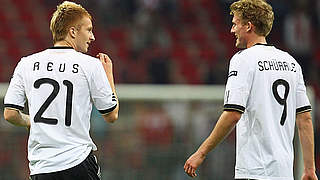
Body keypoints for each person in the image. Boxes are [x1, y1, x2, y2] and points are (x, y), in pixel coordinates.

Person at [184, 0, 317, 179]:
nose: (232, 30)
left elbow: (233, 114)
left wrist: (201, 153)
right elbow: (305, 118)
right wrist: (309, 169)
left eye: (235, 24)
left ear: (248, 26)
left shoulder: (243, 60)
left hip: (254, 171)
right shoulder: (291, 63)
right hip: (284, 173)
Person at [3, 1, 119, 180]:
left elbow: (10, 114)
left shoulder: (26, 63)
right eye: (88, 30)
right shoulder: (91, 65)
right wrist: (109, 76)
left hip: (42, 167)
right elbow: (111, 115)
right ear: (72, 32)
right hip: (78, 161)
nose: (93, 37)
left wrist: (30, 121)